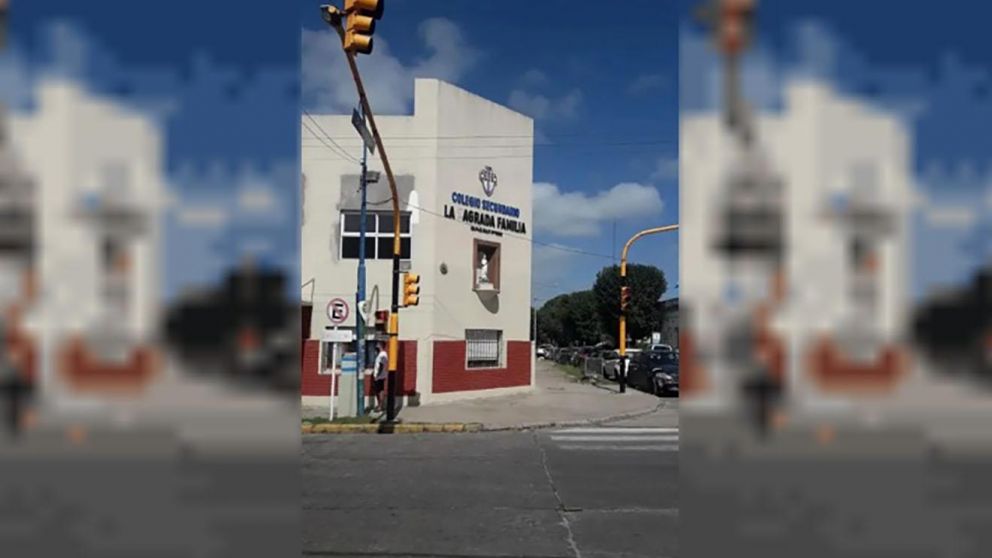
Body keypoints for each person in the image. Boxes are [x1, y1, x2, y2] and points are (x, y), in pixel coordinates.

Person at [372, 341, 388, 413]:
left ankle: (380, 406)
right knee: (378, 390)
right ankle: (379, 405)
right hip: (379, 375)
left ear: (380, 345)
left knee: (379, 390)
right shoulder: (380, 354)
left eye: (378, 344)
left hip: (380, 376)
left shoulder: (383, 354)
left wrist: (378, 375)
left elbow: (381, 365)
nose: (376, 345)